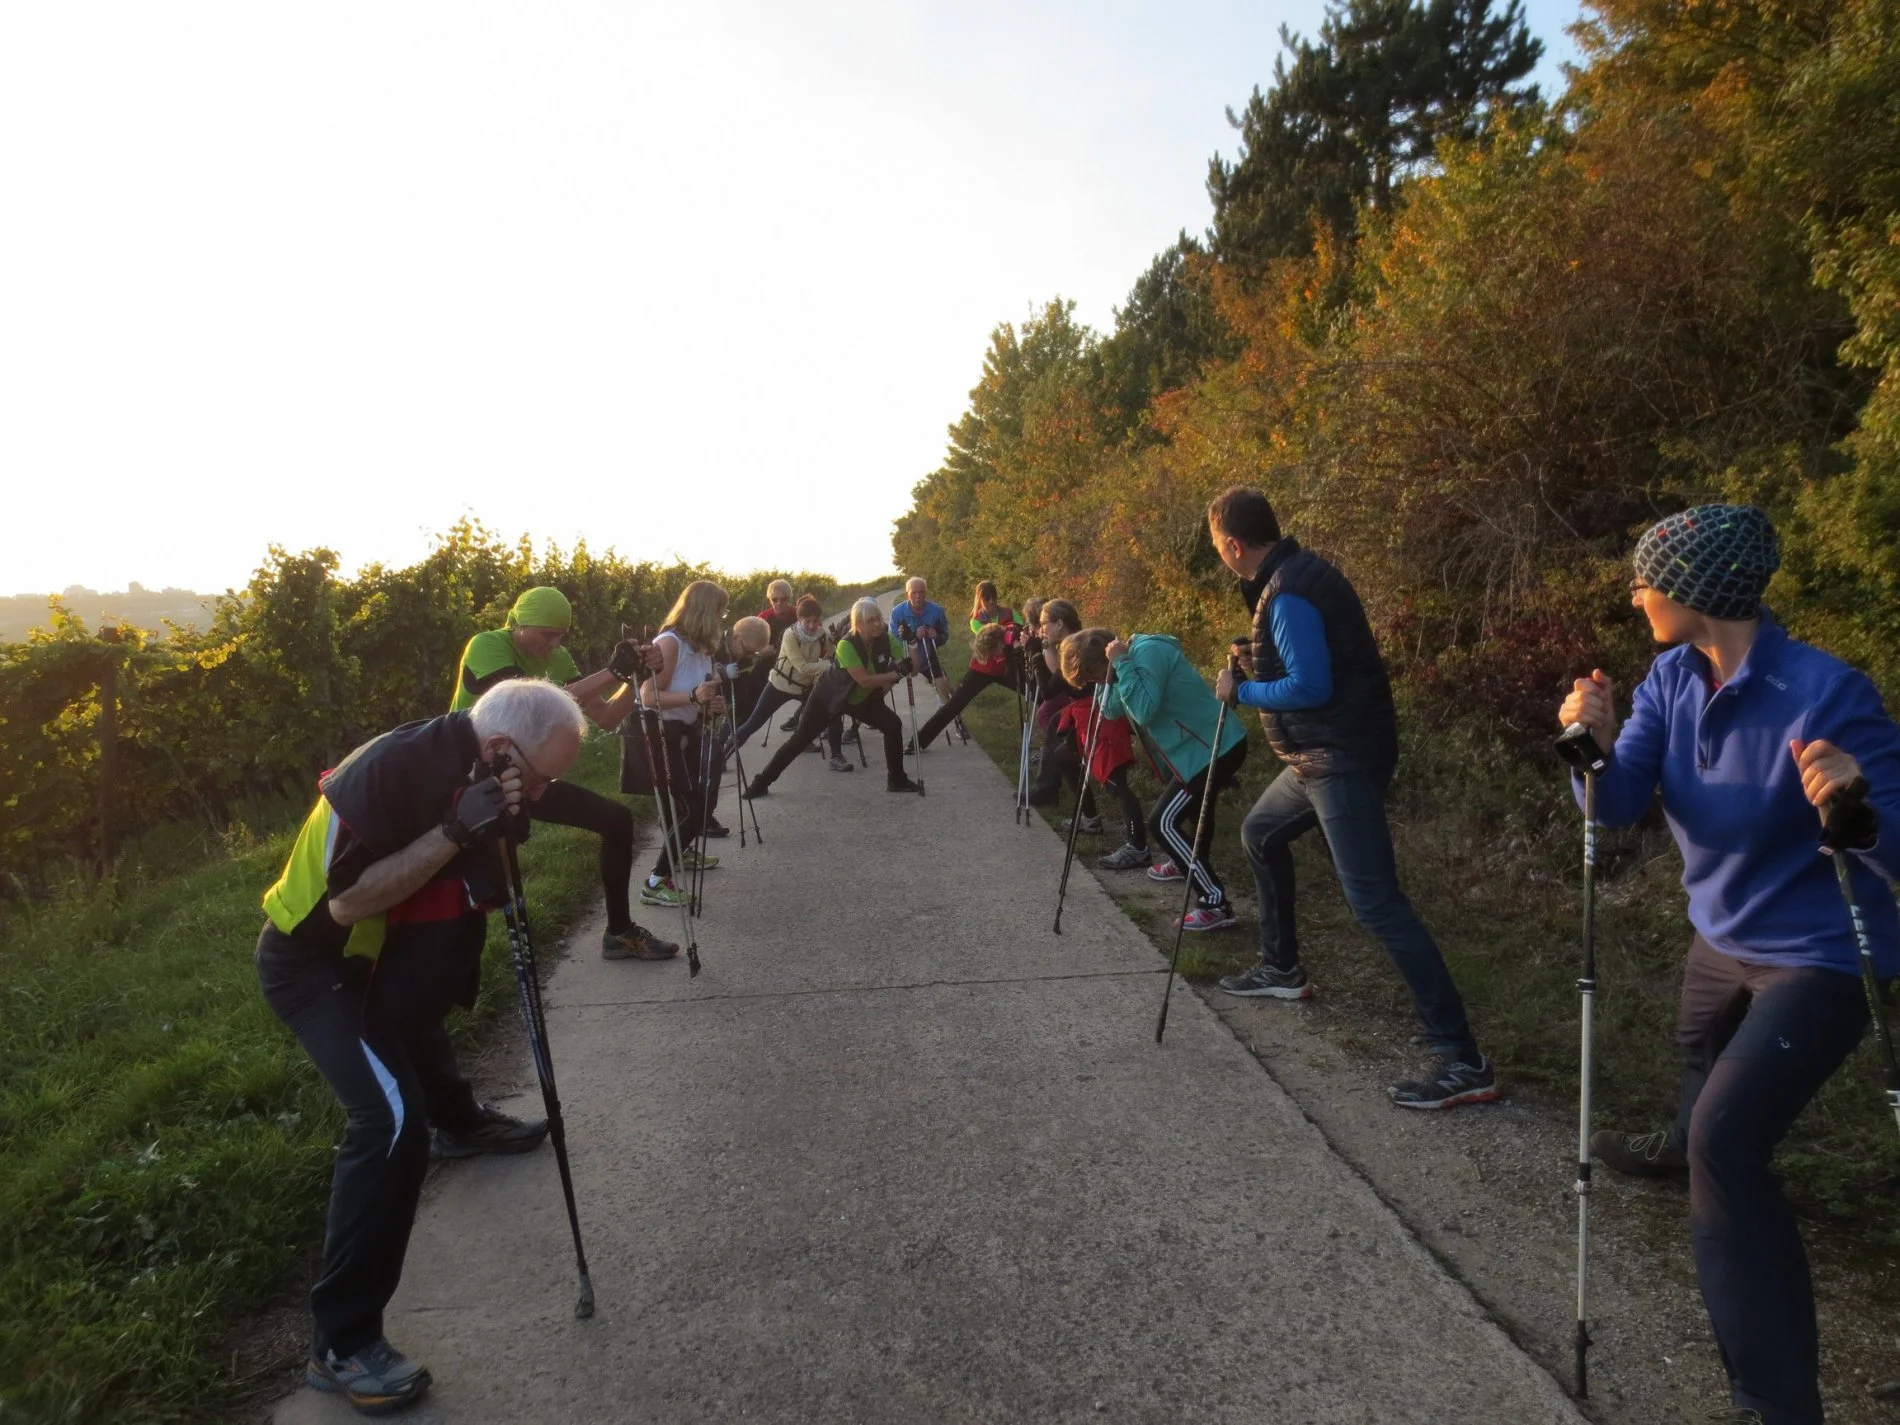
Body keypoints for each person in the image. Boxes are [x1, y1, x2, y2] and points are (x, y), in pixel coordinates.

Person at [1558, 504, 1899, 1425]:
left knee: (1727, 1140)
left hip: (1817, 958)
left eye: (1646, 577)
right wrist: (1588, 739)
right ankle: (1694, 1151)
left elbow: (1891, 842)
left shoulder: (1826, 693)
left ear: (1696, 591)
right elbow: (1617, 803)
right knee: (1701, 1074)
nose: (1634, 592)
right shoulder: (1671, 676)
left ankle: (1776, 1402)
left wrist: (1855, 802)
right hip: (1720, 944)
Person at [257, 679, 586, 1415]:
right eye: (537, 778)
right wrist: (451, 831)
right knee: (390, 1122)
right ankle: (340, 1341)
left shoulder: (487, 768)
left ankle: (463, 1124)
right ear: (501, 747)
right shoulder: (390, 767)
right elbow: (346, 902)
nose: (538, 794)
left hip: (391, 965)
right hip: (320, 966)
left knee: (420, 1047)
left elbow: (486, 859)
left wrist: (494, 833)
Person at [1203, 487, 1495, 1110]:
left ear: (1233, 545)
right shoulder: (1287, 580)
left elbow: (1310, 684)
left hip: (1339, 758)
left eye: (1217, 549)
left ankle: (1463, 1059)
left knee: (1377, 904)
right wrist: (1253, 659)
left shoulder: (1290, 590)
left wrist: (1241, 691)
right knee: (1259, 833)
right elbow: (1304, 661)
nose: (1220, 558)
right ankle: (1281, 968)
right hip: (1314, 757)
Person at [449, 587, 677, 977]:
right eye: (545, 634)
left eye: (560, 636)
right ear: (518, 625)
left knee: (616, 819)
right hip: (471, 776)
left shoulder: (559, 657)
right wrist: (613, 671)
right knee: (475, 876)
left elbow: (604, 717)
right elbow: (527, 704)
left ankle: (619, 933)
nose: (553, 644)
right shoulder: (486, 645)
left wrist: (632, 680)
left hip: (529, 772)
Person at [1064, 626, 1249, 931]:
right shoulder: (1122, 665)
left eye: (1091, 676)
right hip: (1196, 751)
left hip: (1215, 746)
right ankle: (1186, 863)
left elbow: (1145, 710)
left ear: (1100, 661)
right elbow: (1110, 710)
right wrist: (1109, 680)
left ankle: (1215, 903)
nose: (1092, 683)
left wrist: (1121, 666)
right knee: (1183, 817)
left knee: (1162, 822)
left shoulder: (1148, 653)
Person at [745, 597, 922, 797]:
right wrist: (896, 673)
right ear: (858, 624)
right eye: (871, 620)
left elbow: (914, 670)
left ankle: (897, 780)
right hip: (828, 696)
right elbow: (864, 679)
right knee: (800, 739)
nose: (877, 624)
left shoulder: (886, 638)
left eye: (879, 619)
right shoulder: (846, 644)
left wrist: (913, 643)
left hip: (861, 699)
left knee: (893, 725)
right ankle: (761, 783)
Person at [638, 581, 730, 909]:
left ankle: (681, 852)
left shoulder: (701, 647)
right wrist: (694, 697)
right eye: (720, 611)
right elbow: (648, 695)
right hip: (662, 735)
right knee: (696, 806)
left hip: (687, 732)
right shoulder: (670, 643)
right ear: (705, 611)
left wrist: (708, 705)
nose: (722, 618)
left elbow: (698, 695)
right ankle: (656, 881)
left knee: (691, 805)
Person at [1055, 630, 1149, 870]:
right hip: (1095, 724)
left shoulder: (1122, 666)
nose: (1091, 682)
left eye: (1090, 676)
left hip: (1109, 733)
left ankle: (1138, 846)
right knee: (1071, 761)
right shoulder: (1101, 675)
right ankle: (1092, 819)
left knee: (1116, 784)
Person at [724, 594, 850, 771]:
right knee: (754, 722)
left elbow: (836, 657)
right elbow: (802, 667)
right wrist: (827, 664)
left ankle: (836, 757)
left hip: (806, 687)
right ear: (799, 619)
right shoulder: (790, 635)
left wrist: (837, 656)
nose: (812, 625)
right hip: (779, 684)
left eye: (816, 621)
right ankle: (722, 756)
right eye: (807, 621)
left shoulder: (823, 635)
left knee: (832, 713)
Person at [910, 581, 1024, 751]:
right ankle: (918, 742)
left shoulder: (1010, 612)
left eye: (994, 598)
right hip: (982, 669)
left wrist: (1013, 630)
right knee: (954, 705)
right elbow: (992, 635)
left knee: (1040, 691)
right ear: (979, 599)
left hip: (1006, 668)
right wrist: (1010, 629)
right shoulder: (976, 620)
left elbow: (1020, 630)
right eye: (987, 599)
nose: (991, 602)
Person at [890, 576, 956, 713]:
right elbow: (893, 640)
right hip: (905, 660)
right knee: (881, 686)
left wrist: (936, 636)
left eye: (921, 592)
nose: (918, 596)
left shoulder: (937, 611)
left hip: (928, 658)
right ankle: (859, 724)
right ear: (907, 594)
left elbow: (944, 635)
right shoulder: (897, 612)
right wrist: (913, 635)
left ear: (926, 593)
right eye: (914, 592)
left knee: (947, 691)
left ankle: (958, 722)